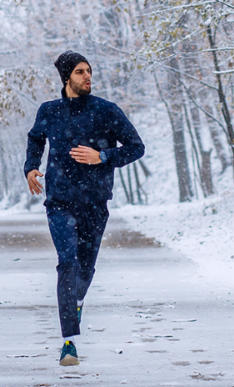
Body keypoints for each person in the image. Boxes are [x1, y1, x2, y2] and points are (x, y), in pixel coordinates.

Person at [24, 50, 144, 366]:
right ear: (67, 78)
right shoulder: (49, 111)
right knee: (67, 263)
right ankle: (69, 343)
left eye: (89, 71)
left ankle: (75, 302)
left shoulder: (106, 111)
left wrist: (102, 157)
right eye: (80, 72)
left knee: (85, 269)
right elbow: (36, 139)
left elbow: (136, 147)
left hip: (94, 203)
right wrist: (31, 167)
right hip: (59, 202)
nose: (87, 76)